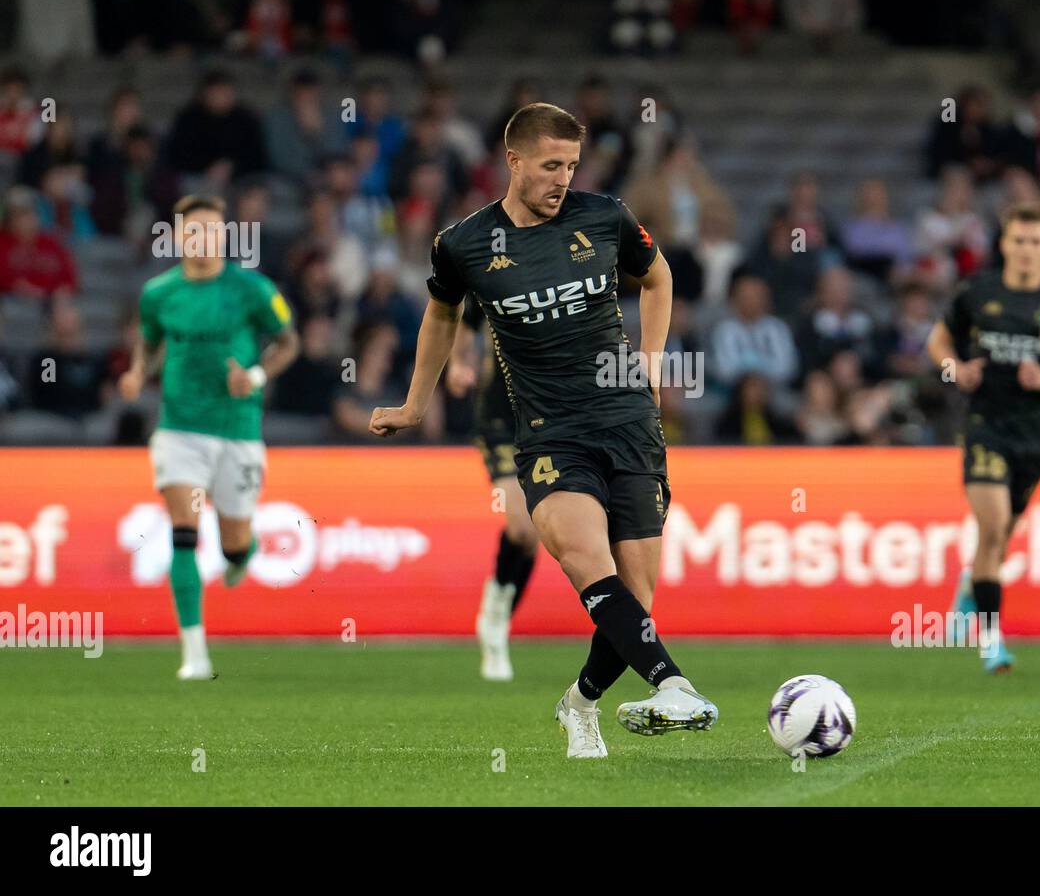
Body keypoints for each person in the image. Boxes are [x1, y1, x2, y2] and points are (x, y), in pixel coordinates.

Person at [368, 102, 717, 758]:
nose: (563, 178)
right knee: (586, 558)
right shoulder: (465, 244)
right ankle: (673, 684)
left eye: (572, 166)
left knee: (636, 599)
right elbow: (441, 317)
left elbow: (658, 276)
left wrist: (650, 356)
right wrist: (416, 405)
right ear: (515, 161)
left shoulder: (604, 216)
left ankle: (579, 703)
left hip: (629, 423)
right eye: (551, 166)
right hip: (550, 434)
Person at [118, 195, 301, 680]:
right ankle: (194, 653)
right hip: (178, 428)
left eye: (212, 230)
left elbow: (289, 342)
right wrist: (139, 372)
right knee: (184, 533)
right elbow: (151, 341)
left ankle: (243, 553)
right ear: (179, 237)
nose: (203, 239)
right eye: (193, 230)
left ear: (224, 237)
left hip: (238, 430)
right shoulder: (158, 293)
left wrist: (257, 376)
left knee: (233, 544)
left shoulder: (252, 290)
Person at [925, 202, 1040, 673]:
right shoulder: (978, 292)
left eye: (1034, 242)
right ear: (1003, 245)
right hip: (984, 426)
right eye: (1017, 241)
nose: (1025, 250)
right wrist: (953, 368)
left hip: (1035, 436)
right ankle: (991, 641)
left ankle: (968, 587)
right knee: (993, 523)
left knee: (1000, 538)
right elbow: (938, 341)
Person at [445, 300, 540, 681]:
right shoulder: (494, 270)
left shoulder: (568, 272)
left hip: (550, 421)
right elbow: (462, 320)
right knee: (522, 528)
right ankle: (496, 619)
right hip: (500, 420)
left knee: (535, 536)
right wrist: (458, 363)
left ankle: (498, 615)